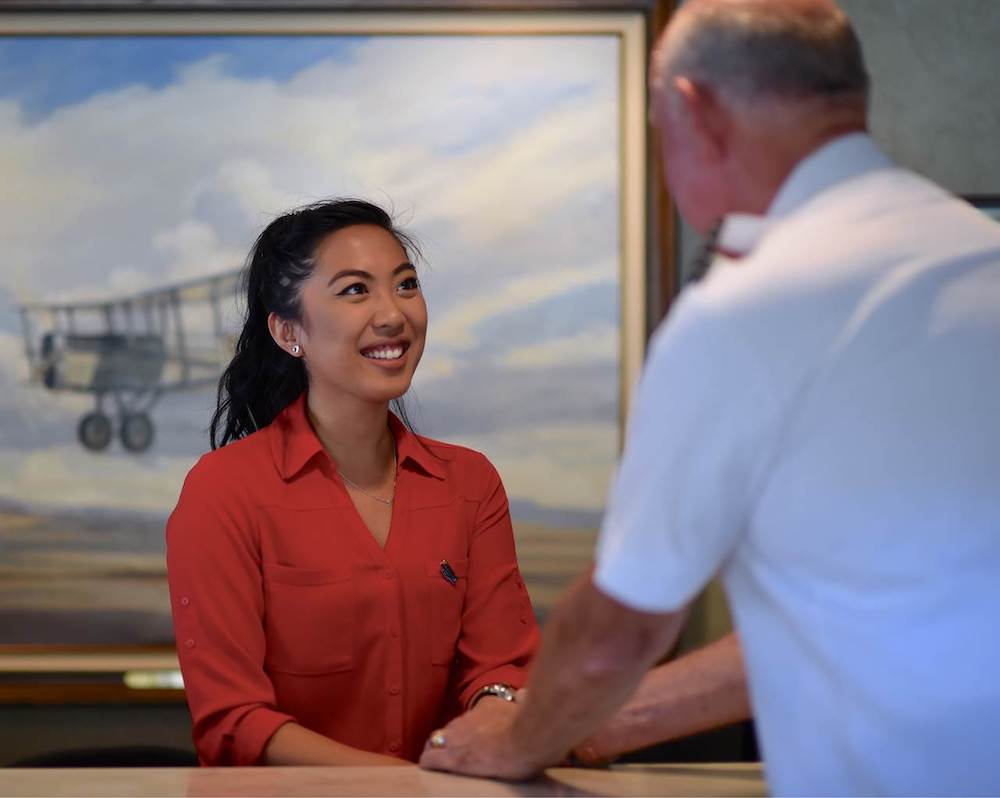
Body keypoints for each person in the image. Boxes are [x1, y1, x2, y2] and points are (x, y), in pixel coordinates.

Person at [419, 0, 1000, 793]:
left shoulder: (748, 307)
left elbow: (621, 624)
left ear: (693, 110)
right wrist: (609, 718)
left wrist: (517, 741)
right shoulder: (978, 253)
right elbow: (871, 598)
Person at [166, 198, 538, 766]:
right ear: (289, 331)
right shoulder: (224, 491)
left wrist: (496, 715)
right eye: (355, 290)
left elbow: (498, 670)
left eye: (406, 285)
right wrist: (399, 783)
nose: (393, 314)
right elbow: (232, 719)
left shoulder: (470, 484)